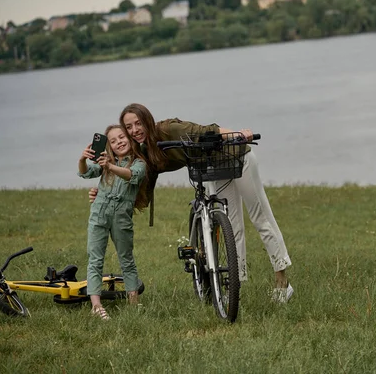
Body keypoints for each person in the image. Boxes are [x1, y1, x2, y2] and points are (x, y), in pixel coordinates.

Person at [89, 103, 293, 303]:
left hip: (237, 157)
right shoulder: (145, 154)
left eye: (138, 123)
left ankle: (282, 282)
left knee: (260, 217)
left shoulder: (170, 129)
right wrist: (104, 194)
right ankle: (234, 286)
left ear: (147, 120)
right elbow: (133, 184)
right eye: (129, 127)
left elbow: (210, 130)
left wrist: (239, 135)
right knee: (232, 224)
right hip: (212, 168)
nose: (135, 130)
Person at [79, 124, 148, 319]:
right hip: (99, 213)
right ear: (108, 145)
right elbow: (85, 172)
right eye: (113, 140)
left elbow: (131, 175)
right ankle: (96, 305)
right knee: (95, 259)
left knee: (126, 258)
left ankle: (134, 302)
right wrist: (82, 158)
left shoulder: (138, 163)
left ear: (130, 138)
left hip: (121, 217)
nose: (119, 142)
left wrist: (109, 166)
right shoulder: (104, 163)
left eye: (122, 137)